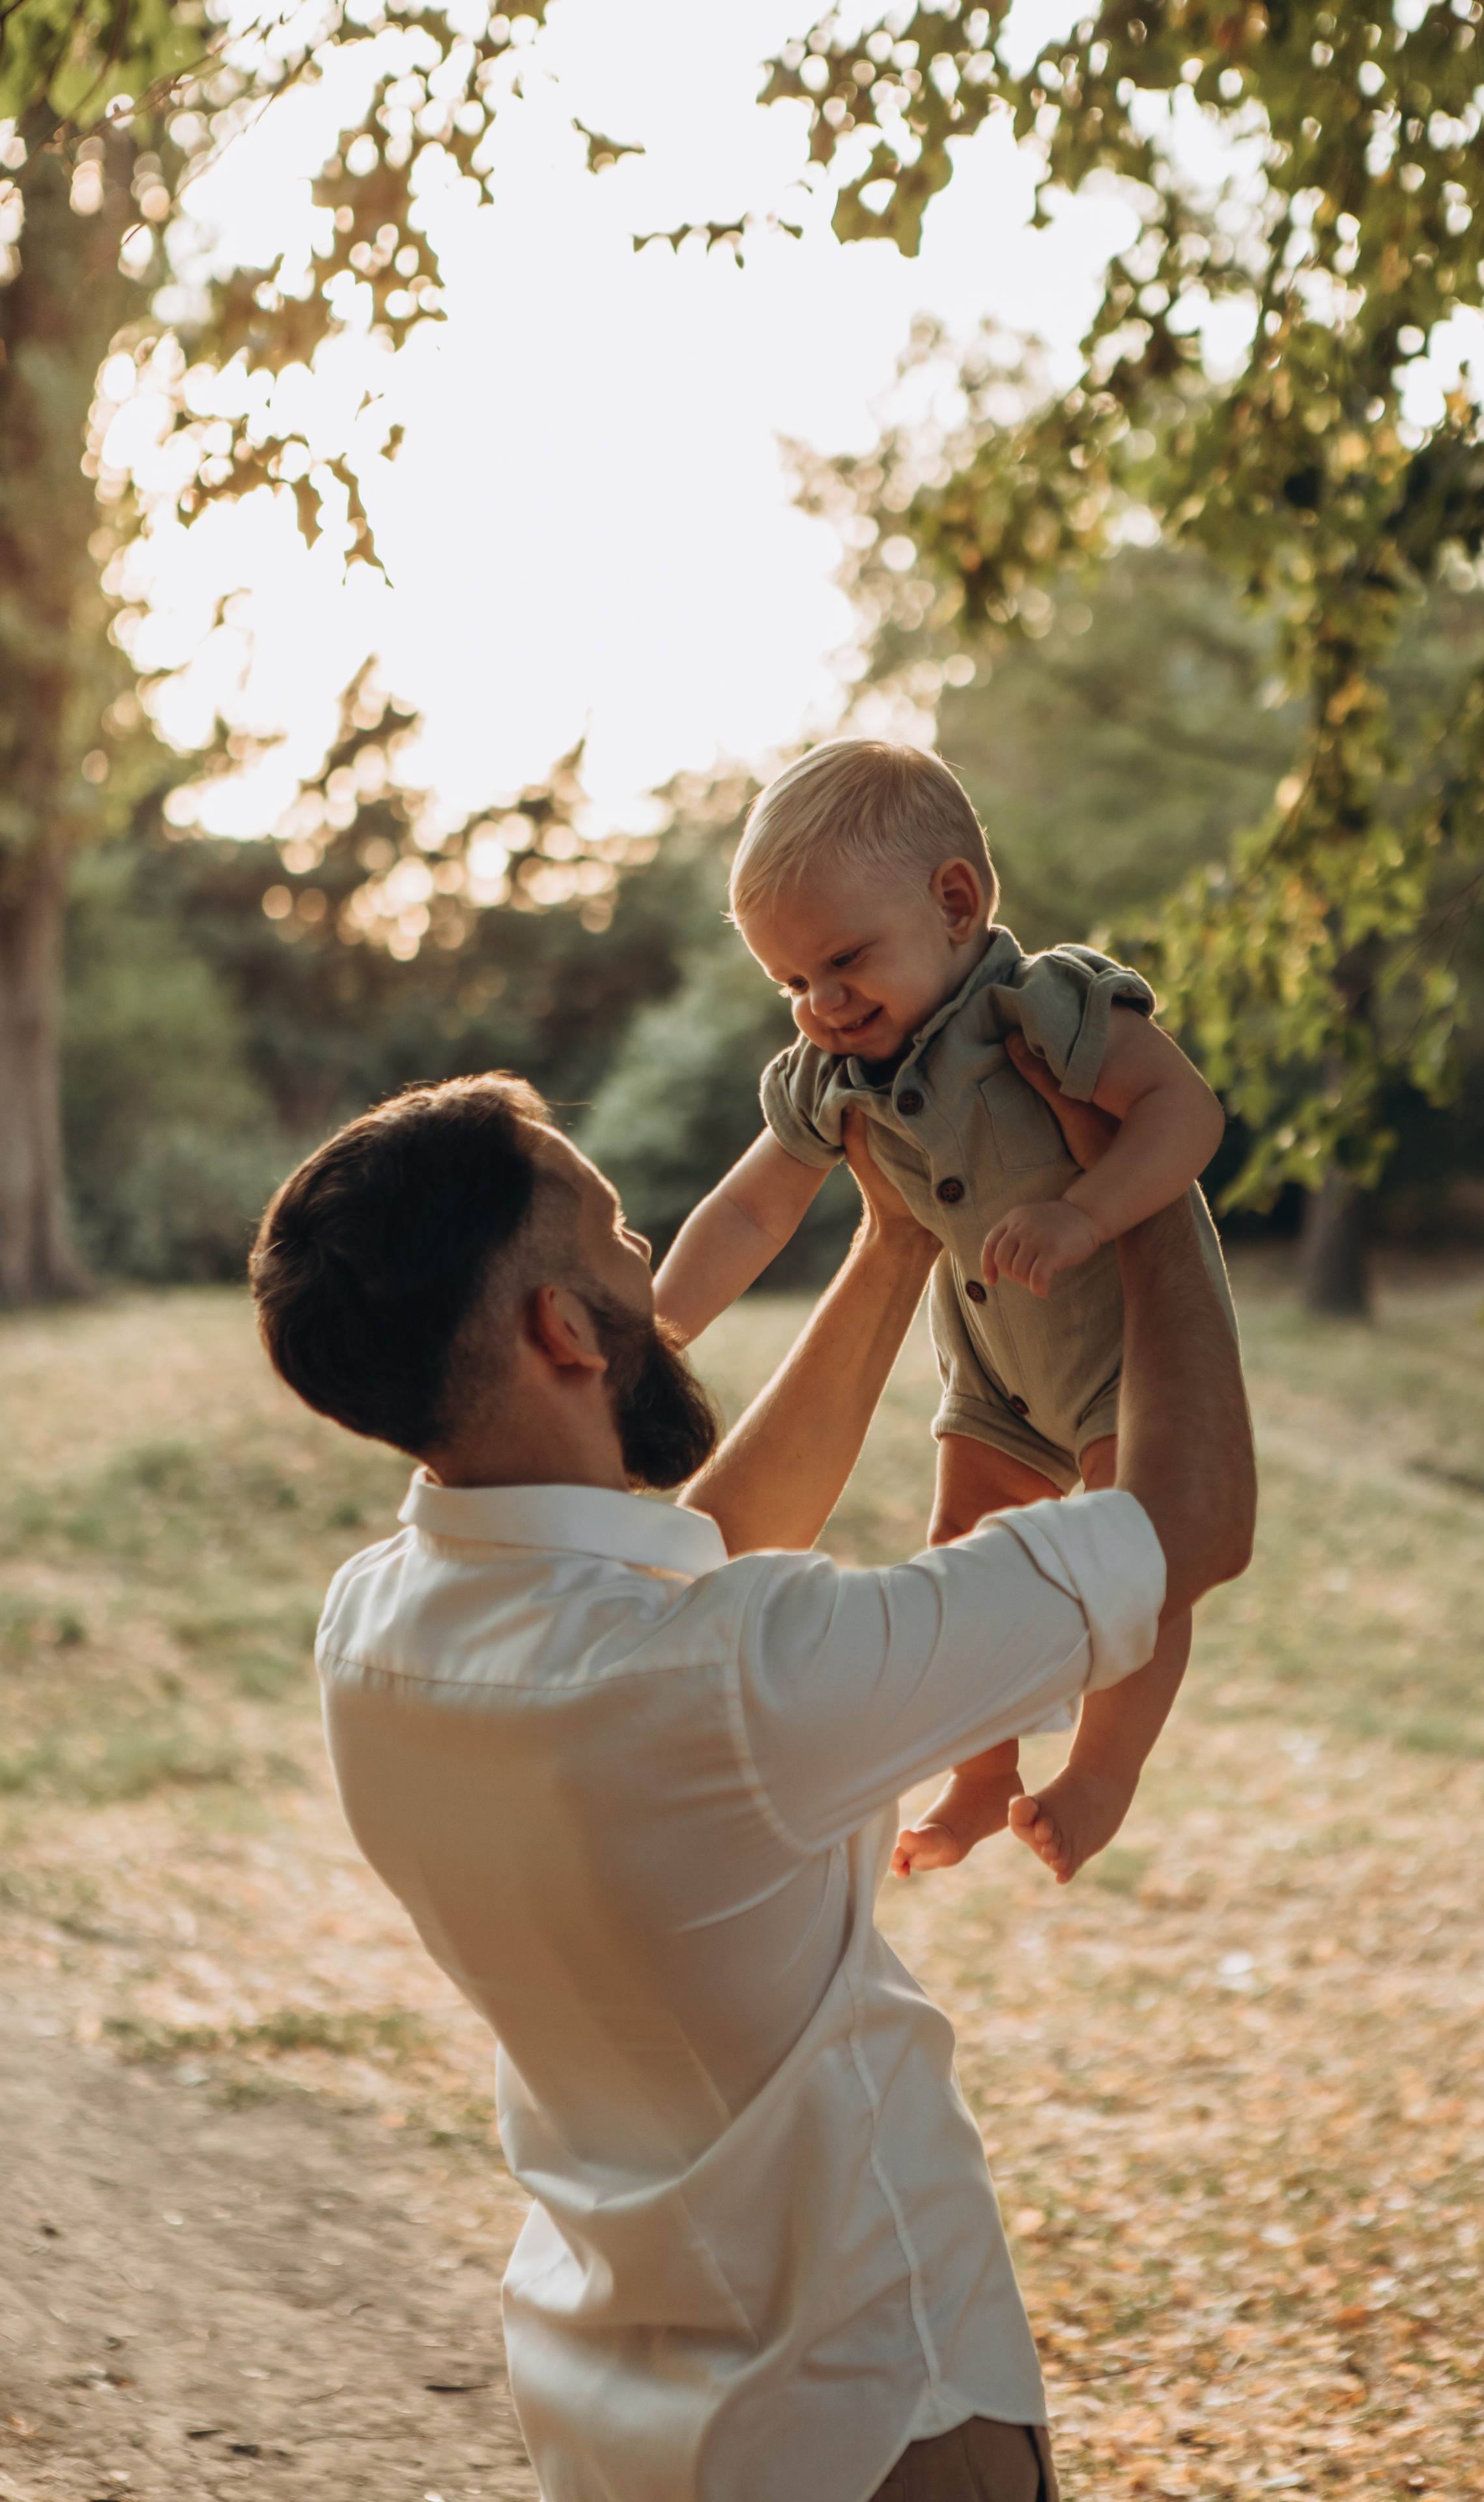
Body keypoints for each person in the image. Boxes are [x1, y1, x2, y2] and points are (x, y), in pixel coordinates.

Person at [248, 1065, 1253, 2502]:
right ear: (560, 1328)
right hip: (875, 2419)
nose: (648, 1254)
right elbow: (1188, 1524)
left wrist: (892, 1245)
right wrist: (1146, 1184)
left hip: (616, 2421)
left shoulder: (374, 1633)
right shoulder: (727, 1684)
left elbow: (688, 1583)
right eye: (616, 1233)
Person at [654, 738, 1237, 1883]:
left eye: (843, 961)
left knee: (1141, 1554)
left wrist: (1086, 1213)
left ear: (956, 904)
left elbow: (1187, 1112)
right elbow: (749, 1213)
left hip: (1125, 1351)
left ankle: (1103, 1774)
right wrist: (652, 1332)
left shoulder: (1048, 1004)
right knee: (961, 1554)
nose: (821, 1006)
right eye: (790, 984)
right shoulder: (833, 1077)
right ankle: (981, 1773)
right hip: (998, 1370)